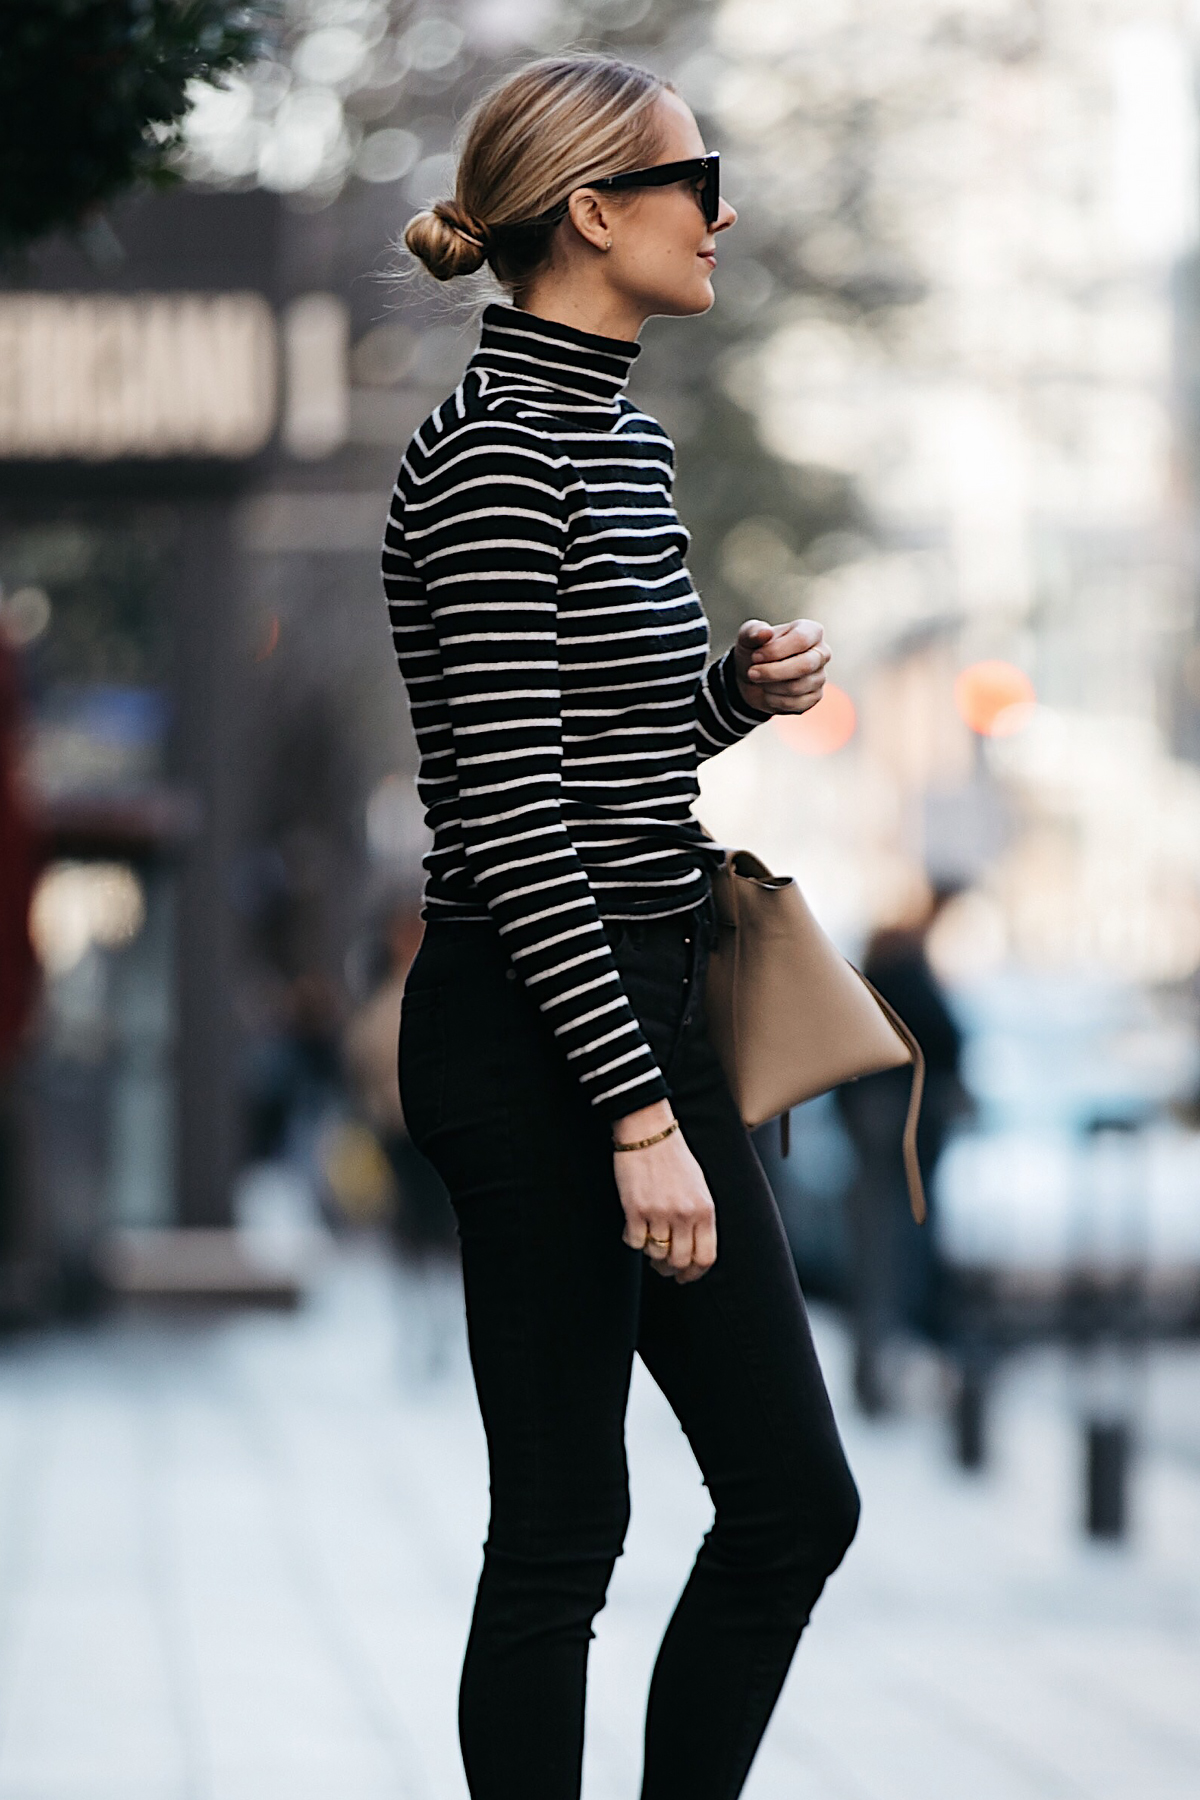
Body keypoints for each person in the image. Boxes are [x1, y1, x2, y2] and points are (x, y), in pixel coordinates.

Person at [383, 55, 859, 1800]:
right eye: (692, 179)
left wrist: (729, 688)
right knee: (568, 1526)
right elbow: (510, 824)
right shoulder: (500, 457)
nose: (719, 213)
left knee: (794, 1501)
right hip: (538, 1030)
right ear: (594, 210)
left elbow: (606, 752)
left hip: (639, 1001)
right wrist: (637, 1119)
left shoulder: (618, 439)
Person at [836, 891, 969, 1415]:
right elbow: (935, 1040)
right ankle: (879, 1383)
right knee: (890, 1257)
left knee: (888, 1257)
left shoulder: (885, 970)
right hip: (898, 1126)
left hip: (890, 1126)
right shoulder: (904, 973)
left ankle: (881, 1379)